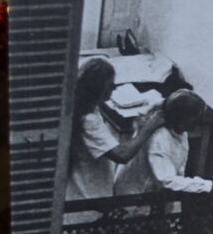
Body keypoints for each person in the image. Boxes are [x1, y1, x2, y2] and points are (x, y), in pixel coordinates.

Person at [67, 57, 166, 217]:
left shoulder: (88, 107)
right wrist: (149, 127)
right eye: (110, 86)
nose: (113, 90)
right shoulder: (89, 119)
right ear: (97, 88)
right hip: (88, 198)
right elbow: (122, 155)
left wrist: (139, 128)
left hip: (87, 190)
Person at [114, 89, 213, 196]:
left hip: (154, 192)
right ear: (181, 118)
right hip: (133, 196)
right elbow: (166, 180)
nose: (199, 122)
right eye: (195, 118)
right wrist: (206, 186)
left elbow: (176, 172)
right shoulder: (158, 137)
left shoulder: (180, 130)